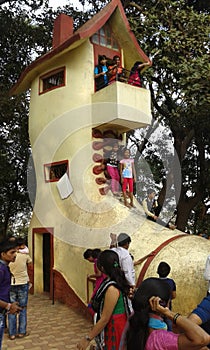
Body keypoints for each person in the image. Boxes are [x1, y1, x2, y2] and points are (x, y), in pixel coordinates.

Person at [124, 277, 210, 350]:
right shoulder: (159, 338)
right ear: (162, 304)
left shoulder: (132, 322)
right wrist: (169, 313)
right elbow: (203, 338)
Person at [77, 250, 130, 350]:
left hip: (115, 327)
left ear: (101, 268)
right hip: (117, 324)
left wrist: (87, 339)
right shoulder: (114, 282)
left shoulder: (111, 289)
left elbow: (105, 318)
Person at [8, 237, 32, 340]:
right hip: (23, 283)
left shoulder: (9, 256)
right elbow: (31, 266)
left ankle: (12, 334)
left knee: (11, 308)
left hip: (11, 284)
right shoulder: (25, 256)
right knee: (22, 308)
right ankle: (22, 332)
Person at [0, 239, 22, 347]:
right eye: (11, 252)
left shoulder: (5, 267)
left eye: (15, 252)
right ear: (3, 254)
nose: (15, 255)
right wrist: (9, 306)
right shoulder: (1, 269)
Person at [83, 248, 106, 316]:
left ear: (90, 256)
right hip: (102, 281)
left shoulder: (97, 262)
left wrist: (91, 276)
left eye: (88, 259)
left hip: (100, 282)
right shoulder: (101, 261)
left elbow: (99, 274)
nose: (89, 261)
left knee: (94, 298)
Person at [157, 261, 176, 331]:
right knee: (169, 322)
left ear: (157, 271)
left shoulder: (155, 282)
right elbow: (174, 295)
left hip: (157, 308)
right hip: (168, 307)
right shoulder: (171, 282)